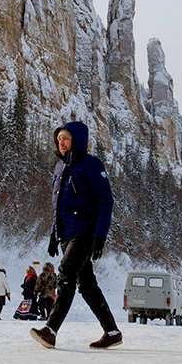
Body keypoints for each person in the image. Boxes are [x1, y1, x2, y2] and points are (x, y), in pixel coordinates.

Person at [30, 120, 122, 350]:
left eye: (66, 138)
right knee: (87, 284)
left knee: (66, 273)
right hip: (67, 234)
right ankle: (112, 332)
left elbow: (105, 200)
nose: (61, 142)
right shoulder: (60, 169)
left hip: (85, 232)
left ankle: (50, 330)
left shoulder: (91, 165)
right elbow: (58, 205)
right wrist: (54, 233)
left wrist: (100, 235)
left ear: (77, 141)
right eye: (59, 138)